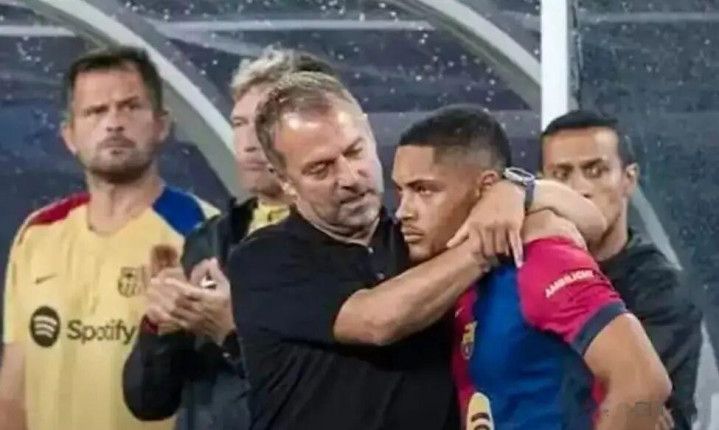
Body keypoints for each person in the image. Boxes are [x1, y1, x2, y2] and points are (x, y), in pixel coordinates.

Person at [226, 72, 612, 430]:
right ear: (284, 180)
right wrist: (488, 240)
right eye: (321, 169)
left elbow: (593, 225)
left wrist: (520, 190)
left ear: (370, 134)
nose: (349, 177)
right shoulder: (263, 260)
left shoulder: (423, 236)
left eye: (355, 151)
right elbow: (378, 321)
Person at [393, 105, 672, 430]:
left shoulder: (542, 258)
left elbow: (643, 383)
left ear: (485, 188)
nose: (403, 211)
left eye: (424, 190)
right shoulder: (457, 278)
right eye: (400, 191)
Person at [0, 47, 217, 430]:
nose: (114, 123)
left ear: (162, 124)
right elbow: (14, 386)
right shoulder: (38, 233)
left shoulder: (203, 230)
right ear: (69, 135)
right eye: (95, 111)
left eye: (130, 107)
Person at [122, 48, 338, 430]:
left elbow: (336, 398)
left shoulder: (348, 244)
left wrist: (233, 331)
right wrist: (159, 329)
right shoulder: (209, 240)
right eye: (239, 123)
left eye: (264, 123)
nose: (248, 142)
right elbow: (148, 402)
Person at [540, 110, 703, 430]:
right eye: (561, 174)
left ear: (629, 179)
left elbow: (634, 405)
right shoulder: (520, 269)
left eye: (596, 171)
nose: (579, 189)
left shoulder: (662, 289)